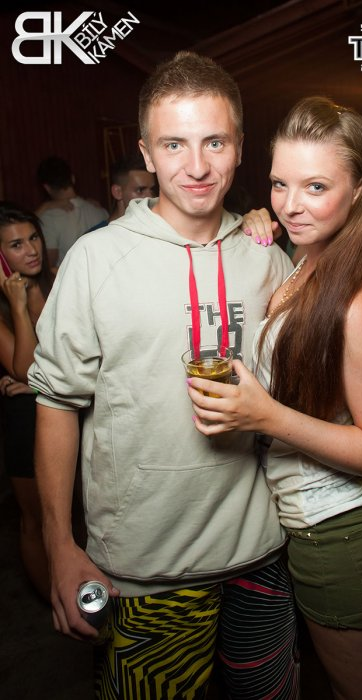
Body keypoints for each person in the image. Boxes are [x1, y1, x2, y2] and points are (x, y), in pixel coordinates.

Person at [28, 51, 299, 700]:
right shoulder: (96, 260)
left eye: (214, 142)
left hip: (263, 556)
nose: (196, 166)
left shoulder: (268, 256)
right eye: (174, 144)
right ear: (147, 153)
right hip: (144, 572)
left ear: (240, 148)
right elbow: (57, 403)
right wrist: (60, 544)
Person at [187, 96, 362, 700]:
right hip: (316, 523)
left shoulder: (356, 301)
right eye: (280, 183)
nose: (290, 205)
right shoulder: (308, 256)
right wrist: (257, 227)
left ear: (359, 190)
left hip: (343, 531)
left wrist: (266, 415)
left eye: (316, 186)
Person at [0, 201, 54, 601]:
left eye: (33, 237)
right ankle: (53, 603)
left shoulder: (57, 280)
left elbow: (75, 358)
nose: (31, 250)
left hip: (64, 413)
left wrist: (37, 385)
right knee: (35, 520)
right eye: (16, 245)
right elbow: (25, 368)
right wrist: (18, 306)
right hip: (24, 423)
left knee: (71, 517)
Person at [36, 156, 108, 270]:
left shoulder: (48, 217)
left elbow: (50, 262)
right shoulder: (100, 211)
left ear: (47, 187)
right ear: (73, 179)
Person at [88, 153, 158, 231]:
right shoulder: (95, 236)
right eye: (140, 190)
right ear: (117, 192)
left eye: (152, 189)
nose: (150, 197)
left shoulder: (155, 228)